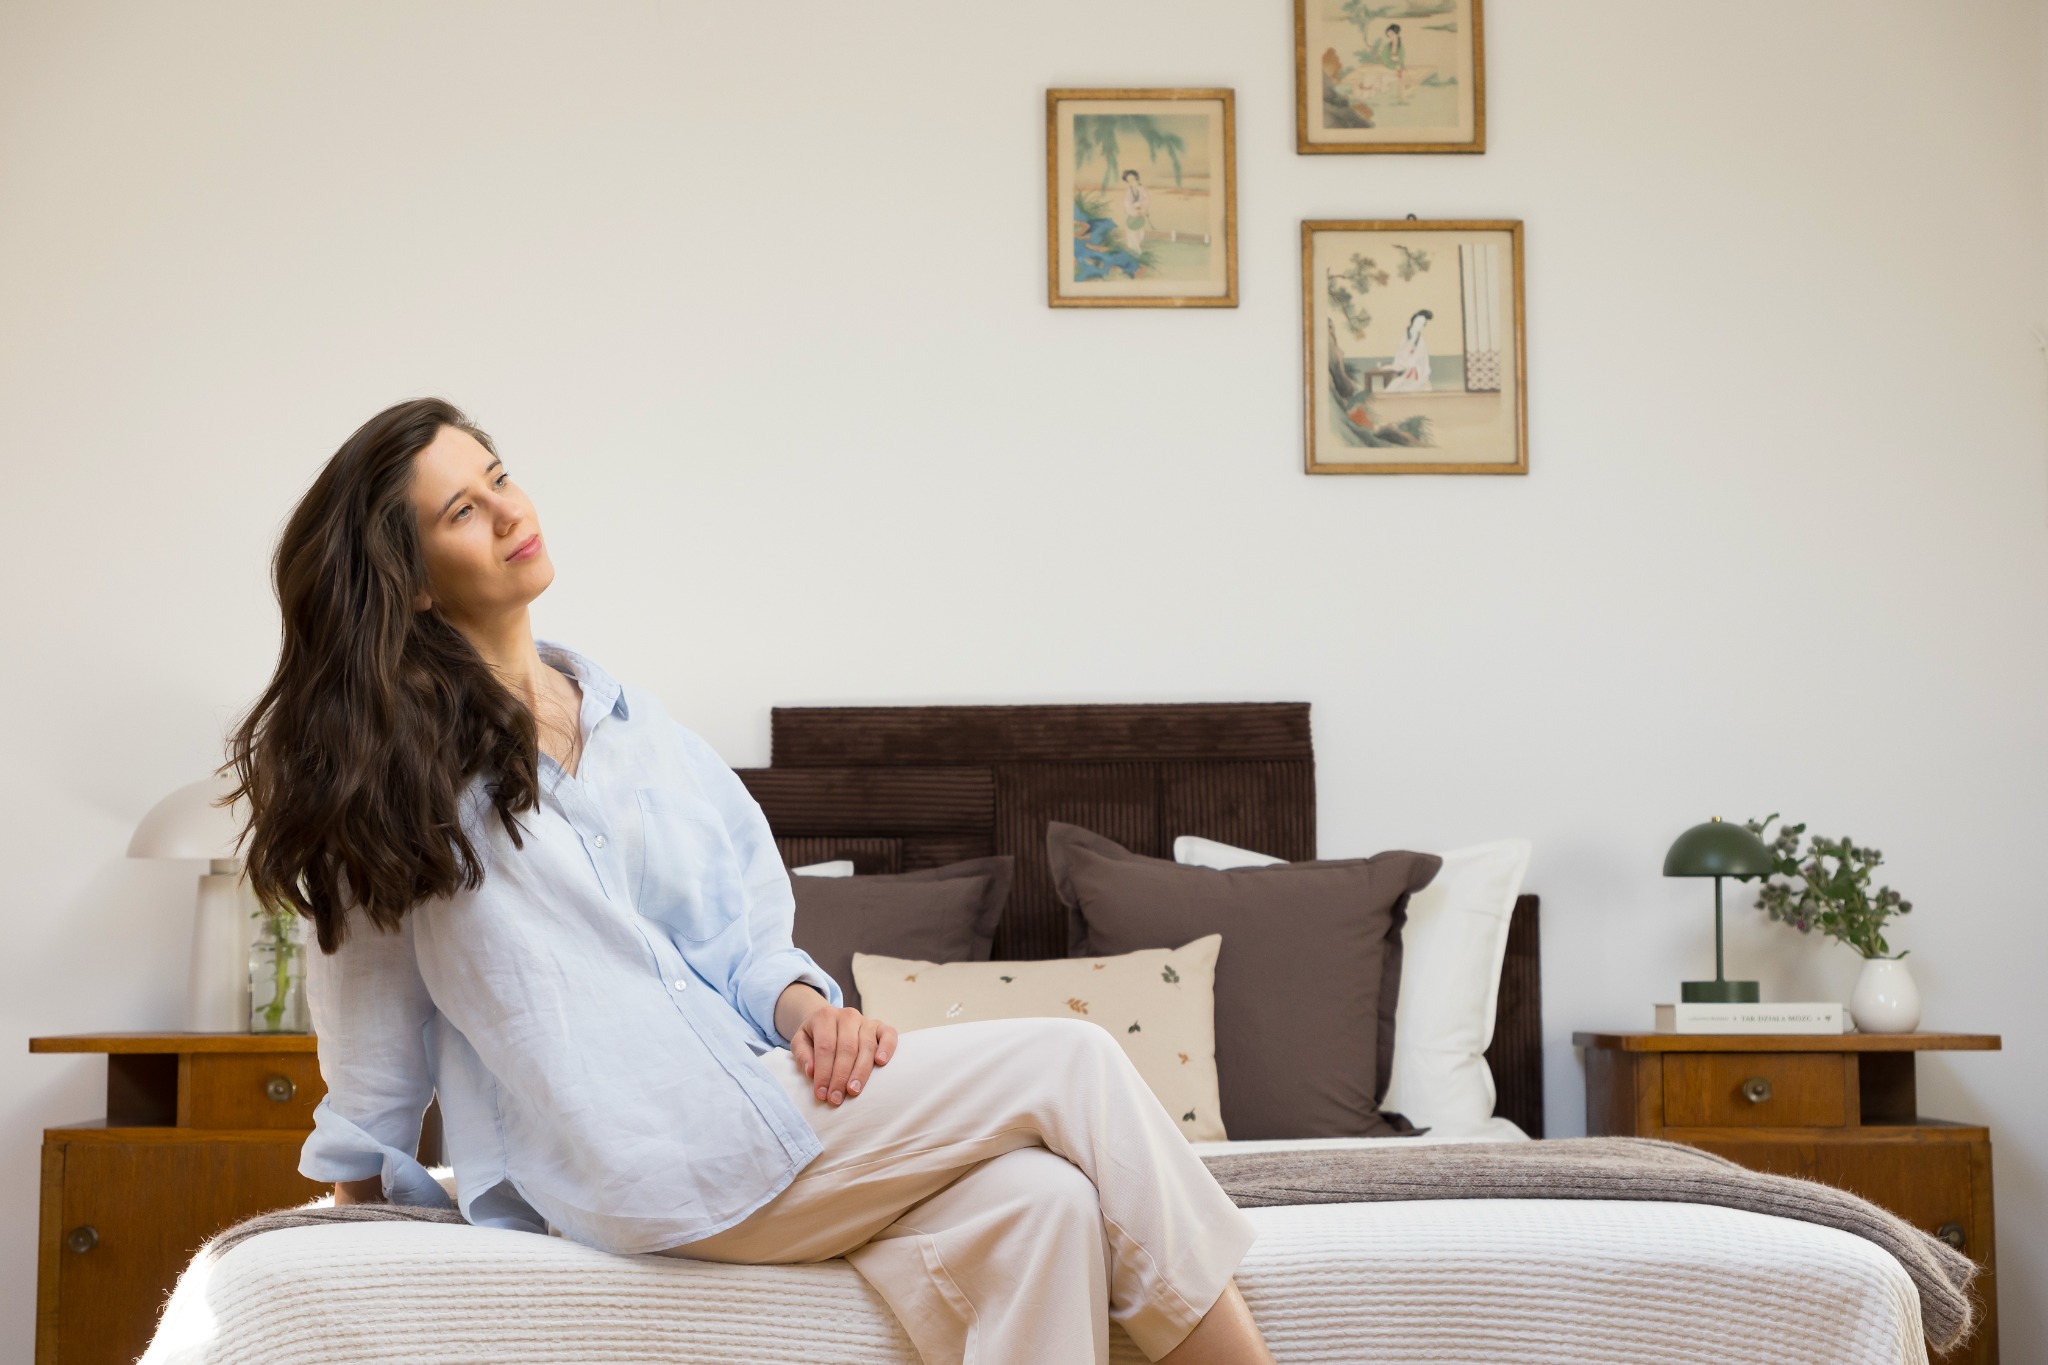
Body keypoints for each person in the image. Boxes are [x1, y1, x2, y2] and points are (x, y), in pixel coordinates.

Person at [227, 397, 1274, 1365]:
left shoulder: (649, 736)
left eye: (500, 476)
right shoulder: (385, 789)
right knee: (1073, 1062)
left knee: (1037, 1204)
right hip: (634, 1157)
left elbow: (742, 943)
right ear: (408, 579)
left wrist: (806, 1006)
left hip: (761, 1107)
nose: (509, 511)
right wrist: (351, 1220)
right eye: (464, 508)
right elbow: (368, 1055)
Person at [1384, 308, 1434, 391]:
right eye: (1418, 322)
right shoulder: (1405, 337)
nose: (1419, 325)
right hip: (1406, 371)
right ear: (1413, 321)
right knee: (1392, 388)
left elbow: (1422, 360)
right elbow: (1400, 355)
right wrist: (1395, 366)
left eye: (1422, 324)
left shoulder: (1420, 341)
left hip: (1418, 372)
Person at [1121, 168, 1153, 255]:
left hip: (1140, 215)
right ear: (1127, 182)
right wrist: (1135, 211)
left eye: (1133, 179)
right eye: (1129, 180)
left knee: (1140, 234)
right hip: (1131, 216)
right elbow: (1127, 204)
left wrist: (1142, 209)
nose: (1132, 181)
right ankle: (1136, 252)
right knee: (1132, 234)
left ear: (1136, 178)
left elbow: (1147, 200)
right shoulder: (1128, 192)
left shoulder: (1142, 189)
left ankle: (1137, 250)